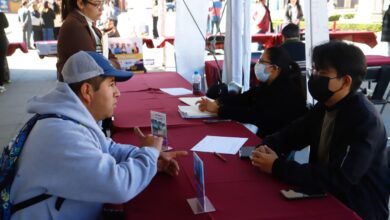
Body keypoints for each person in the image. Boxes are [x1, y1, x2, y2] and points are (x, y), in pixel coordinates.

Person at [10, 51, 188, 219]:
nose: (117, 93)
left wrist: (148, 158)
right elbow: (119, 187)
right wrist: (148, 153)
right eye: (111, 84)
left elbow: (106, 147)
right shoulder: (62, 135)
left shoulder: (69, 118)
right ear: (87, 91)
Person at [250, 41, 390, 220]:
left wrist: (277, 167)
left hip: (357, 209)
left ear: (345, 81)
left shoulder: (364, 120)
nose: (314, 77)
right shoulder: (325, 107)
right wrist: (267, 146)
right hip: (324, 195)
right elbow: (292, 134)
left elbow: (341, 178)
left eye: (322, 73)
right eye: (314, 70)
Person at [197, 46, 308, 138]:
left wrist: (219, 110)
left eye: (261, 61)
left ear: (274, 68)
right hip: (264, 136)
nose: (257, 64)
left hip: (274, 145)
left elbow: (254, 114)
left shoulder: (285, 91)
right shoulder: (268, 84)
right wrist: (219, 102)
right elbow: (245, 98)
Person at [57, 0, 119, 81]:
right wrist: (109, 65)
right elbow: (92, 67)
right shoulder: (75, 26)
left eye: (102, 3)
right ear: (81, 4)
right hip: (81, 90)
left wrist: (107, 65)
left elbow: (115, 63)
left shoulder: (89, 26)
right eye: (97, 4)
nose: (102, 8)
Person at [0, 12, 8, 93]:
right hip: (1, 40)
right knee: (1, 63)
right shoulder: (1, 14)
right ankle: (1, 85)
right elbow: (6, 25)